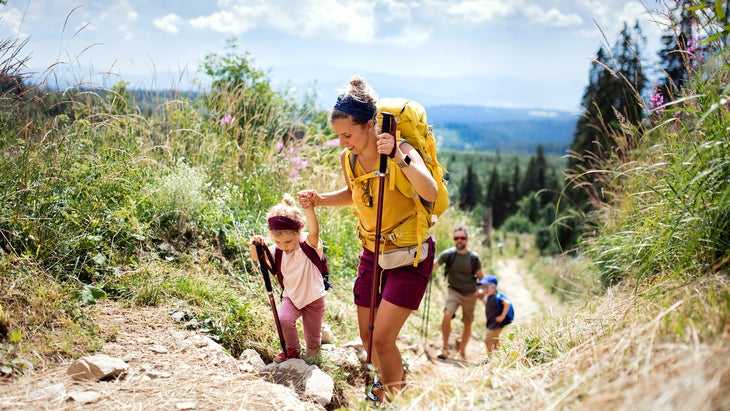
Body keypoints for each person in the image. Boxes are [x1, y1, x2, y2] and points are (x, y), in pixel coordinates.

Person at [297, 75, 438, 403]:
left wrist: (400, 159)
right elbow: (356, 192)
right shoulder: (349, 158)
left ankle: (393, 399)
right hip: (372, 252)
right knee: (367, 336)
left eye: (348, 135)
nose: (343, 142)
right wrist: (320, 199)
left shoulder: (400, 150)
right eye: (339, 136)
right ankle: (384, 389)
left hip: (409, 254)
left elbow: (429, 189)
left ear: (370, 125)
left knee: (383, 340)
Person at [250, 193, 326, 364]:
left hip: (314, 299)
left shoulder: (308, 244)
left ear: (299, 232)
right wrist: (255, 245)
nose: (284, 246)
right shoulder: (277, 251)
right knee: (284, 319)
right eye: (278, 242)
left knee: (312, 337)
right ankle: (292, 350)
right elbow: (257, 258)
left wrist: (309, 208)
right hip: (291, 296)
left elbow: (314, 230)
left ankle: (313, 357)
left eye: (289, 241)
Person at [431, 226, 483, 361]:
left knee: (467, 324)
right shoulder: (448, 254)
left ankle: (462, 352)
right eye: (456, 238)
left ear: (467, 240)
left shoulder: (473, 258)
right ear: (454, 240)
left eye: (462, 238)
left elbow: (481, 277)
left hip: (470, 294)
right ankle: (445, 347)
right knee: (447, 314)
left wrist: (485, 293)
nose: (459, 240)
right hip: (454, 291)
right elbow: (434, 265)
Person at [476, 274, 513, 353]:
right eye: (483, 287)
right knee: (495, 340)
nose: (485, 289)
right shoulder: (489, 297)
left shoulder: (497, 296)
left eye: (487, 287)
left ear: (494, 286)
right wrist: (480, 298)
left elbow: (507, 303)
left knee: (488, 340)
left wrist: (502, 316)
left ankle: (491, 358)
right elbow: (489, 306)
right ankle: (500, 354)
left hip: (497, 323)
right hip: (492, 322)